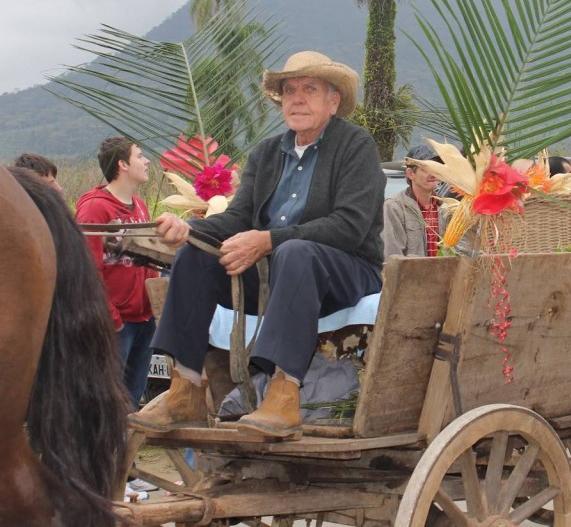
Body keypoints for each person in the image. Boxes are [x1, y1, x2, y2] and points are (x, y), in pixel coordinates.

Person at [130, 51, 385, 439]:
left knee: (295, 252)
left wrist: (268, 240)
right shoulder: (267, 152)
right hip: (276, 275)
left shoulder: (355, 145)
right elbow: (238, 217)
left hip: (344, 272)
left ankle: (283, 393)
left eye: (310, 89)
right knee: (194, 256)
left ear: (333, 101)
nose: (297, 98)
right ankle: (184, 390)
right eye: (289, 90)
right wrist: (189, 230)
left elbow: (349, 227)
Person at [74, 137, 159, 501]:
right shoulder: (95, 209)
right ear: (122, 164)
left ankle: (125, 472)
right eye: (140, 155)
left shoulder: (139, 205)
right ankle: (97, 476)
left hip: (144, 317)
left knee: (132, 399)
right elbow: (87, 269)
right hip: (116, 321)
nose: (147, 161)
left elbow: (150, 257)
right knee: (105, 399)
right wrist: (110, 317)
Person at [382, 145, 445, 257]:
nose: (433, 174)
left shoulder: (446, 209)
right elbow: (392, 257)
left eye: (435, 168)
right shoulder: (394, 207)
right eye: (426, 169)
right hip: (410, 274)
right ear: (411, 174)